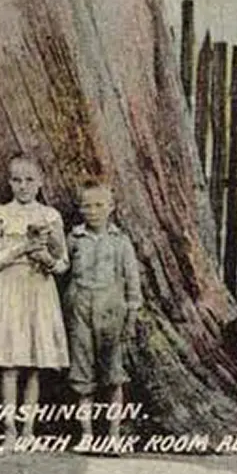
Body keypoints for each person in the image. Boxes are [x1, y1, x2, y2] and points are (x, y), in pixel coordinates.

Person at [0, 154, 69, 447]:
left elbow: (63, 261)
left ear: (40, 182)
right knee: (10, 363)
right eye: (17, 180)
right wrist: (19, 249)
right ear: (9, 182)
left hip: (38, 289)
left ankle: (29, 428)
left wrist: (47, 259)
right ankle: (9, 429)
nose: (23, 186)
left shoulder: (50, 217)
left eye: (30, 180)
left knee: (34, 362)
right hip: (8, 289)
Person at [63, 183, 141, 439]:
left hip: (111, 311)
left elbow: (132, 282)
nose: (93, 211)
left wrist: (130, 317)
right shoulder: (74, 239)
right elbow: (63, 272)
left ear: (111, 208)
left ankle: (114, 435)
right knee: (82, 371)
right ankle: (86, 434)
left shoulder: (120, 242)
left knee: (113, 373)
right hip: (80, 309)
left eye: (99, 205)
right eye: (87, 205)